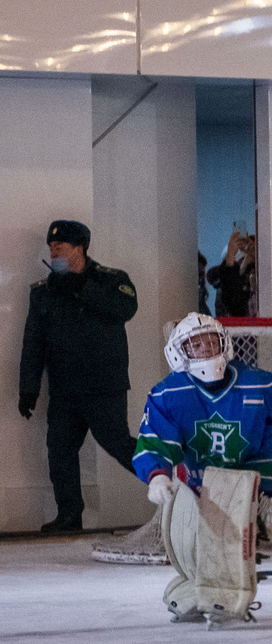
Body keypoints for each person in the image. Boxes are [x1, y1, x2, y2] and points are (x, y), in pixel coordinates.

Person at [132, 313, 272, 626]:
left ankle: (229, 598)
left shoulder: (258, 382)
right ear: (178, 353)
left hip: (251, 466)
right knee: (190, 539)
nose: (205, 349)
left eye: (210, 341)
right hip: (200, 473)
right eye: (195, 344)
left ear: (225, 343)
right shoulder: (169, 393)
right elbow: (155, 438)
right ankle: (194, 587)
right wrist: (157, 474)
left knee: (229, 535)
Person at [17, 219, 139, 534]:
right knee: (60, 450)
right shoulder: (44, 292)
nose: (54, 249)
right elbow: (33, 343)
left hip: (103, 387)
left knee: (118, 444)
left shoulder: (112, 280)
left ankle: (178, 483)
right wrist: (28, 389)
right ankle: (69, 516)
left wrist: (81, 286)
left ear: (80, 247)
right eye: (51, 246)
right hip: (65, 390)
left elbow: (125, 308)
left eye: (62, 245)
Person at [205, 231, 256, 319]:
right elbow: (234, 307)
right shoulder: (235, 280)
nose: (249, 249)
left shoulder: (257, 274)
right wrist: (231, 259)